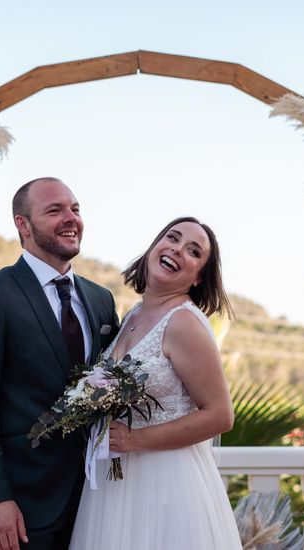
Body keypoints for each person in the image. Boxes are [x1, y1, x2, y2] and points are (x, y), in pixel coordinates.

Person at [0, 177, 120, 550]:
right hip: (20, 506)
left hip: (96, 501)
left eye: (75, 209)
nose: (70, 218)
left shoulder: (100, 299)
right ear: (23, 224)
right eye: (54, 210)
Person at [68, 216, 243, 549]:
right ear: (154, 247)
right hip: (116, 484)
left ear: (199, 275)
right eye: (172, 238)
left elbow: (221, 415)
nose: (177, 249)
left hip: (167, 485)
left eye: (193, 251)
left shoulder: (183, 323)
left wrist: (135, 440)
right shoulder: (133, 315)